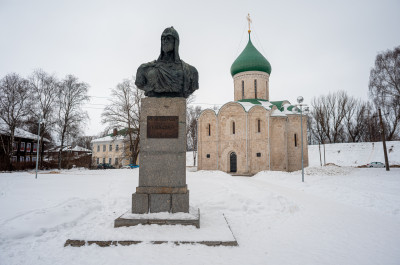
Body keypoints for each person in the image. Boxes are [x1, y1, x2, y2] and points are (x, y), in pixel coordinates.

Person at [135, 27, 199, 98]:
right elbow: (140, 83)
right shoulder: (145, 69)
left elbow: (192, 88)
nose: (165, 41)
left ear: (175, 42)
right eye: (163, 39)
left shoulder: (191, 71)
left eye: (168, 38)